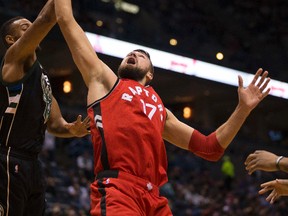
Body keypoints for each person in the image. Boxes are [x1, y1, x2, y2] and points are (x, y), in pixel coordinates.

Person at [55, 0, 271, 215]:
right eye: (130, 54)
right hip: (118, 188)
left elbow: (210, 148)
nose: (133, 54)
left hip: (155, 200)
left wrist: (243, 109)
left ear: (150, 74)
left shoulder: (161, 111)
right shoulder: (106, 82)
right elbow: (66, 20)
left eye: (141, 56)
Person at [0, 0, 90, 215]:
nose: (31, 28)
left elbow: (55, 123)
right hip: (7, 157)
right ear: (11, 40)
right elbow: (46, 19)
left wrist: (72, 130)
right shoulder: (13, 60)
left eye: (31, 25)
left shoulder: (43, 78)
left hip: (33, 163)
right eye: (25, 27)